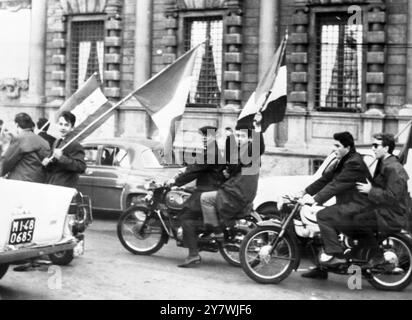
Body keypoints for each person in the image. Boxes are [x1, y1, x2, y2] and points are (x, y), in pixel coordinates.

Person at [299, 131, 372, 280]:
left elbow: (336, 185)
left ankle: (337, 256)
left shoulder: (354, 163)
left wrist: (315, 200)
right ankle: (322, 268)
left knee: (322, 216)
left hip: (358, 207)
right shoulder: (343, 160)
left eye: (337, 146)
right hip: (349, 205)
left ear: (348, 147)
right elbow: (326, 179)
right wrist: (304, 191)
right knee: (318, 225)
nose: (334, 149)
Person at [168, 125, 226, 268]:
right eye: (203, 137)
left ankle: (193, 254)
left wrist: (175, 182)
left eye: (208, 136)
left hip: (206, 191)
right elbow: (196, 167)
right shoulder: (211, 151)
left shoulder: (211, 153)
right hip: (207, 188)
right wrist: (184, 171)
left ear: (215, 137)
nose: (205, 139)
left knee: (185, 217)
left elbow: (195, 171)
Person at [200, 121, 265, 240]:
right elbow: (232, 163)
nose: (239, 139)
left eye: (243, 136)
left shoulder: (251, 152)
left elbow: (259, 147)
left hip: (237, 194)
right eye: (238, 136)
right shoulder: (243, 152)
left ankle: (216, 231)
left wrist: (258, 129)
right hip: (238, 191)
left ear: (250, 139)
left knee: (205, 199)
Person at [356, 133, 409, 266]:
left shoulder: (394, 168)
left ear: (386, 148)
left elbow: (392, 197)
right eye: (372, 145)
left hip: (392, 214)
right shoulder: (383, 163)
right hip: (384, 209)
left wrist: (370, 191)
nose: (373, 148)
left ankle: (376, 256)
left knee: (359, 220)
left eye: (376, 145)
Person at [1, 113, 50, 183]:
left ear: (17, 125)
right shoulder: (44, 141)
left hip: (20, 181)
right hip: (39, 181)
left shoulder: (19, 138)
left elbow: (7, 160)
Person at [42, 111, 86, 188]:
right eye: (61, 124)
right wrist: (47, 162)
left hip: (65, 185)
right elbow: (53, 164)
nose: (63, 127)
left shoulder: (74, 144)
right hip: (54, 184)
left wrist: (61, 158)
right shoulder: (57, 141)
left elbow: (81, 167)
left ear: (72, 128)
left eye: (66, 125)